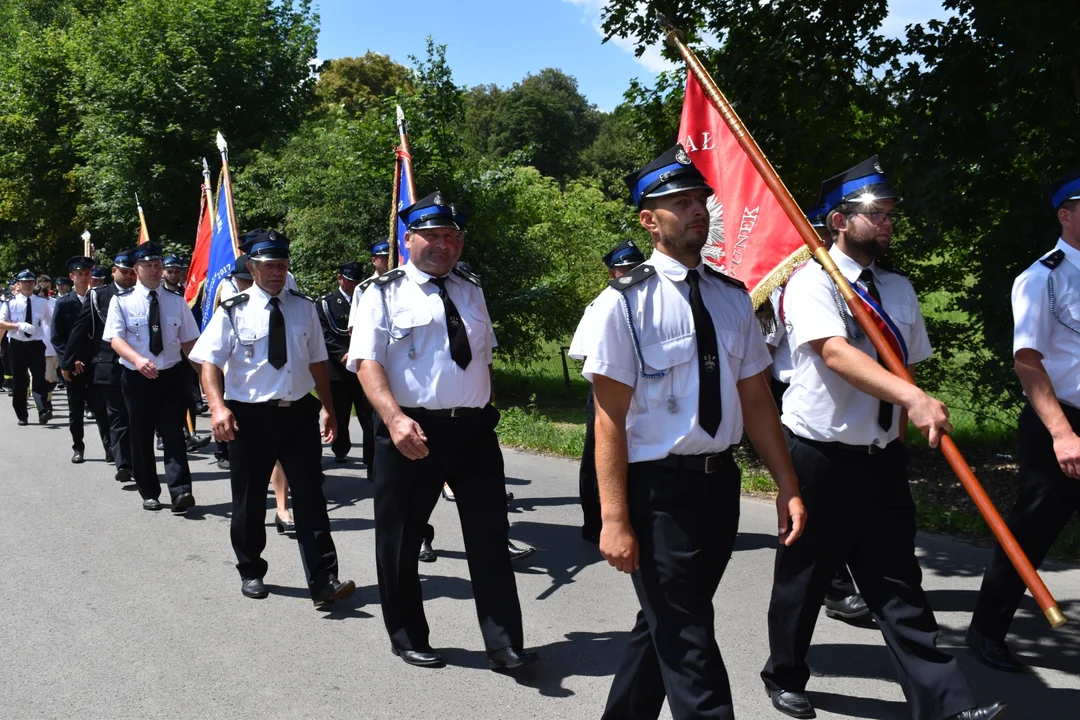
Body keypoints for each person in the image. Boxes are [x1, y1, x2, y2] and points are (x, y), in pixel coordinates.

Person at [760, 157, 1004, 720]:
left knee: (900, 586)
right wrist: (911, 398)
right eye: (878, 213)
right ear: (839, 220)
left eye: (892, 213)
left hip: (880, 458)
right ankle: (785, 672)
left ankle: (946, 705)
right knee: (805, 577)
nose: (889, 222)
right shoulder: (810, 282)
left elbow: (905, 367)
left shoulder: (897, 288)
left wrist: (912, 412)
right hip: (817, 456)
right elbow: (835, 353)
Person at [569, 145, 806, 720]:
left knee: (667, 624)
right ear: (649, 220)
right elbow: (608, 420)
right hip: (657, 495)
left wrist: (787, 485)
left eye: (700, 199)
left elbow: (756, 401)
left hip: (717, 488)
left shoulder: (730, 299)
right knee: (689, 638)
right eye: (679, 203)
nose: (697, 210)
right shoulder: (620, 306)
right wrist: (615, 517)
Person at [350, 191, 537, 671]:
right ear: (408, 239)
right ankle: (408, 635)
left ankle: (504, 643)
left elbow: (484, 357)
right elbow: (367, 363)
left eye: (452, 236)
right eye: (432, 236)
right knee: (401, 539)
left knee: (490, 537)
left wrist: (482, 405)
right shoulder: (381, 292)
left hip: (473, 432)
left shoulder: (471, 288)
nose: (444, 245)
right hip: (412, 430)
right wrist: (393, 418)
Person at [190, 228, 355, 605]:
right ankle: (251, 570)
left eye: (282, 265)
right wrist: (217, 407)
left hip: (298, 413)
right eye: (268, 266)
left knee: (311, 496)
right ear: (253, 267)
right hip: (250, 417)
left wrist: (328, 408)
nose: (276, 272)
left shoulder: (304, 307)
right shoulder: (232, 311)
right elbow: (208, 362)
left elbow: (317, 362)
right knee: (248, 500)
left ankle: (324, 580)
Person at [967, 171, 1080, 674]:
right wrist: (1062, 433)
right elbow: (1028, 362)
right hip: (1059, 420)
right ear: (1066, 214)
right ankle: (986, 632)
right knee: (1031, 531)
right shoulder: (1043, 277)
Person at [766, 207, 871, 625]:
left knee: (843, 511)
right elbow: (761, 341)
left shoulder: (838, 281)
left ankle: (838, 583)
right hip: (791, 394)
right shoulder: (787, 281)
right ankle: (833, 587)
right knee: (806, 507)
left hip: (834, 399)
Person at [104, 242, 201, 513]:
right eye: (148, 265)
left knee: (173, 433)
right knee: (141, 435)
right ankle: (149, 490)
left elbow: (189, 342)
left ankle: (181, 491)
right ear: (136, 269)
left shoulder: (175, 301)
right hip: (137, 378)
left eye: (158, 265)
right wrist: (137, 359)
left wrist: (205, 376)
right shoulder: (121, 301)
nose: (155, 270)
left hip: (171, 376)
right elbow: (115, 339)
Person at [574, 238, 646, 544]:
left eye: (635, 268)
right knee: (598, 457)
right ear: (611, 274)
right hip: (607, 392)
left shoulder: (653, 300)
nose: (629, 274)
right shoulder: (602, 304)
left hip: (644, 394)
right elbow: (585, 354)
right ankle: (594, 522)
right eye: (623, 269)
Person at [63, 251, 136, 483]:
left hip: (138, 365)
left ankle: (134, 456)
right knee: (114, 415)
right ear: (114, 271)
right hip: (108, 365)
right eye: (124, 271)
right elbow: (78, 330)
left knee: (135, 414)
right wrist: (66, 360)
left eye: (131, 272)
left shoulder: (143, 295)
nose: (129, 276)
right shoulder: (98, 297)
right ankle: (122, 461)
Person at [317, 261, 373, 466]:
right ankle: (340, 449)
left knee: (368, 415)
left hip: (363, 367)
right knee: (340, 414)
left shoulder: (369, 298)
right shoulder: (326, 303)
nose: (355, 284)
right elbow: (323, 334)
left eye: (358, 280)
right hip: (338, 370)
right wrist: (342, 354)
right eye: (350, 280)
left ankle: (372, 460)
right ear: (340, 279)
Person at [52, 255, 104, 463]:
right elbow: (57, 337)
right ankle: (78, 447)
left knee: (101, 408)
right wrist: (69, 360)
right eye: (79, 274)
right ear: (71, 277)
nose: (83, 278)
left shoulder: (98, 299)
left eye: (87, 274)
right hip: (74, 365)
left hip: (97, 362)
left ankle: (110, 447)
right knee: (76, 410)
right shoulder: (64, 304)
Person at [0, 269, 54, 425]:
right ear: (18, 284)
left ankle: (43, 410)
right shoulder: (10, 303)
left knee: (39, 378)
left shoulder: (42, 302)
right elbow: (1, 323)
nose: (28, 285)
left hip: (36, 345)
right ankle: (22, 414)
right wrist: (18, 326)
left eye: (31, 282)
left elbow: (50, 322)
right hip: (17, 346)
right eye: (24, 282)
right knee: (20, 381)